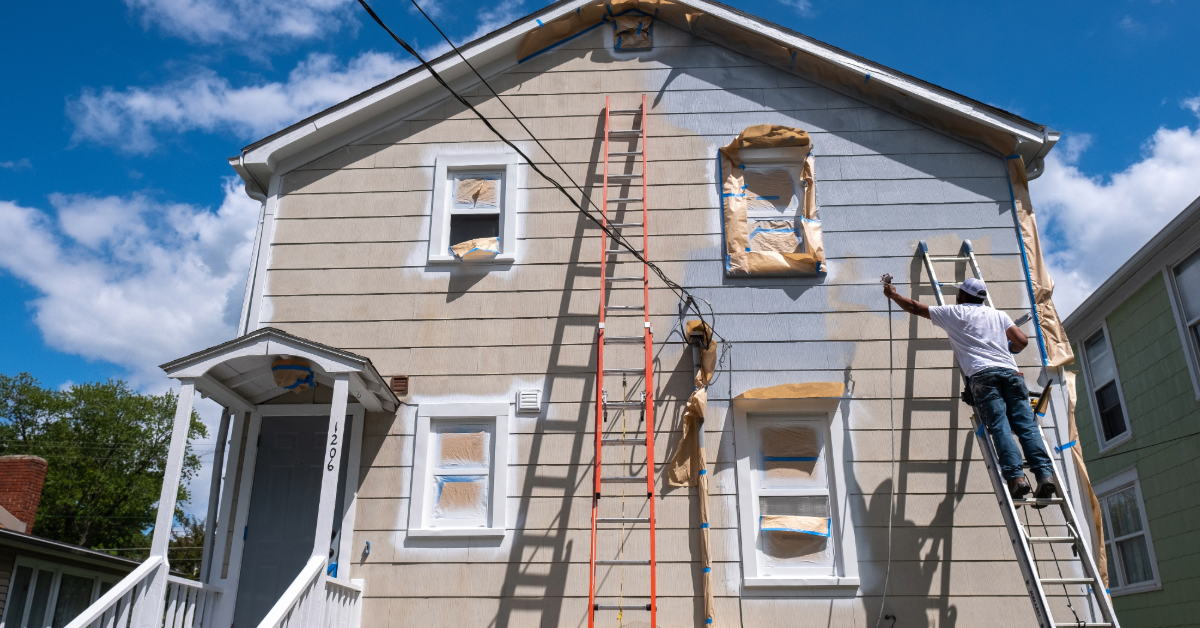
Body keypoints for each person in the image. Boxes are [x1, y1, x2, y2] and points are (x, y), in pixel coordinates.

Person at [883, 276, 1055, 502]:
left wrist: (893, 295)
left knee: (1000, 427)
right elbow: (1021, 341)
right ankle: (1044, 475)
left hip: (983, 376)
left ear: (963, 296)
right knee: (1026, 426)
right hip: (1011, 374)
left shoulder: (955, 313)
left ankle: (1017, 478)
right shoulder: (999, 315)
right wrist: (1007, 349)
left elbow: (915, 307)